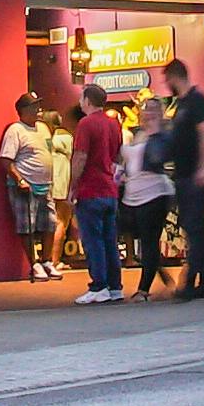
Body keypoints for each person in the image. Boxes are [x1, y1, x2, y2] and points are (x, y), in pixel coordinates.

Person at [159, 59, 204, 301]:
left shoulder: (196, 101)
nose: (167, 85)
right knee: (193, 229)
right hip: (183, 175)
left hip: (195, 174)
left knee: (195, 228)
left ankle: (189, 281)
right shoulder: (181, 104)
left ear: (175, 77)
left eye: (167, 80)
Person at [69, 83, 125, 304]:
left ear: (87, 101)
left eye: (82, 99)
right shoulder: (114, 125)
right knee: (110, 240)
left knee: (93, 240)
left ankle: (98, 285)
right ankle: (115, 286)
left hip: (90, 189)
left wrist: (73, 187)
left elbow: (80, 157)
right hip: (109, 189)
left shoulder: (85, 124)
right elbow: (118, 157)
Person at [119, 98, 176, 300]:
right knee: (134, 233)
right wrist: (121, 172)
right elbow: (128, 161)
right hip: (132, 194)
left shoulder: (163, 135)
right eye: (145, 109)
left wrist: (156, 133)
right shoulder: (136, 134)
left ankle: (143, 290)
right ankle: (159, 270)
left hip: (155, 192)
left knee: (148, 240)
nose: (148, 113)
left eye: (153, 109)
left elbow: (159, 157)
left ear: (161, 113)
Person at [0, 93, 58, 282]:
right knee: (27, 226)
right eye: (33, 107)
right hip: (25, 185)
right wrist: (19, 179)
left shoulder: (43, 128)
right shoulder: (15, 130)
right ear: (23, 111)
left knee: (50, 222)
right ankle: (34, 263)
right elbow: (6, 159)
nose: (38, 110)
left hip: (45, 184)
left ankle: (47, 260)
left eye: (38, 106)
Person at [47, 110, 77, 274]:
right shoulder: (66, 137)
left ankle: (49, 259)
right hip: (63, 183)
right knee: (61, 222)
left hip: (48, 182)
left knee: (52, 222)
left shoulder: (44, 138)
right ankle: (55, 260)